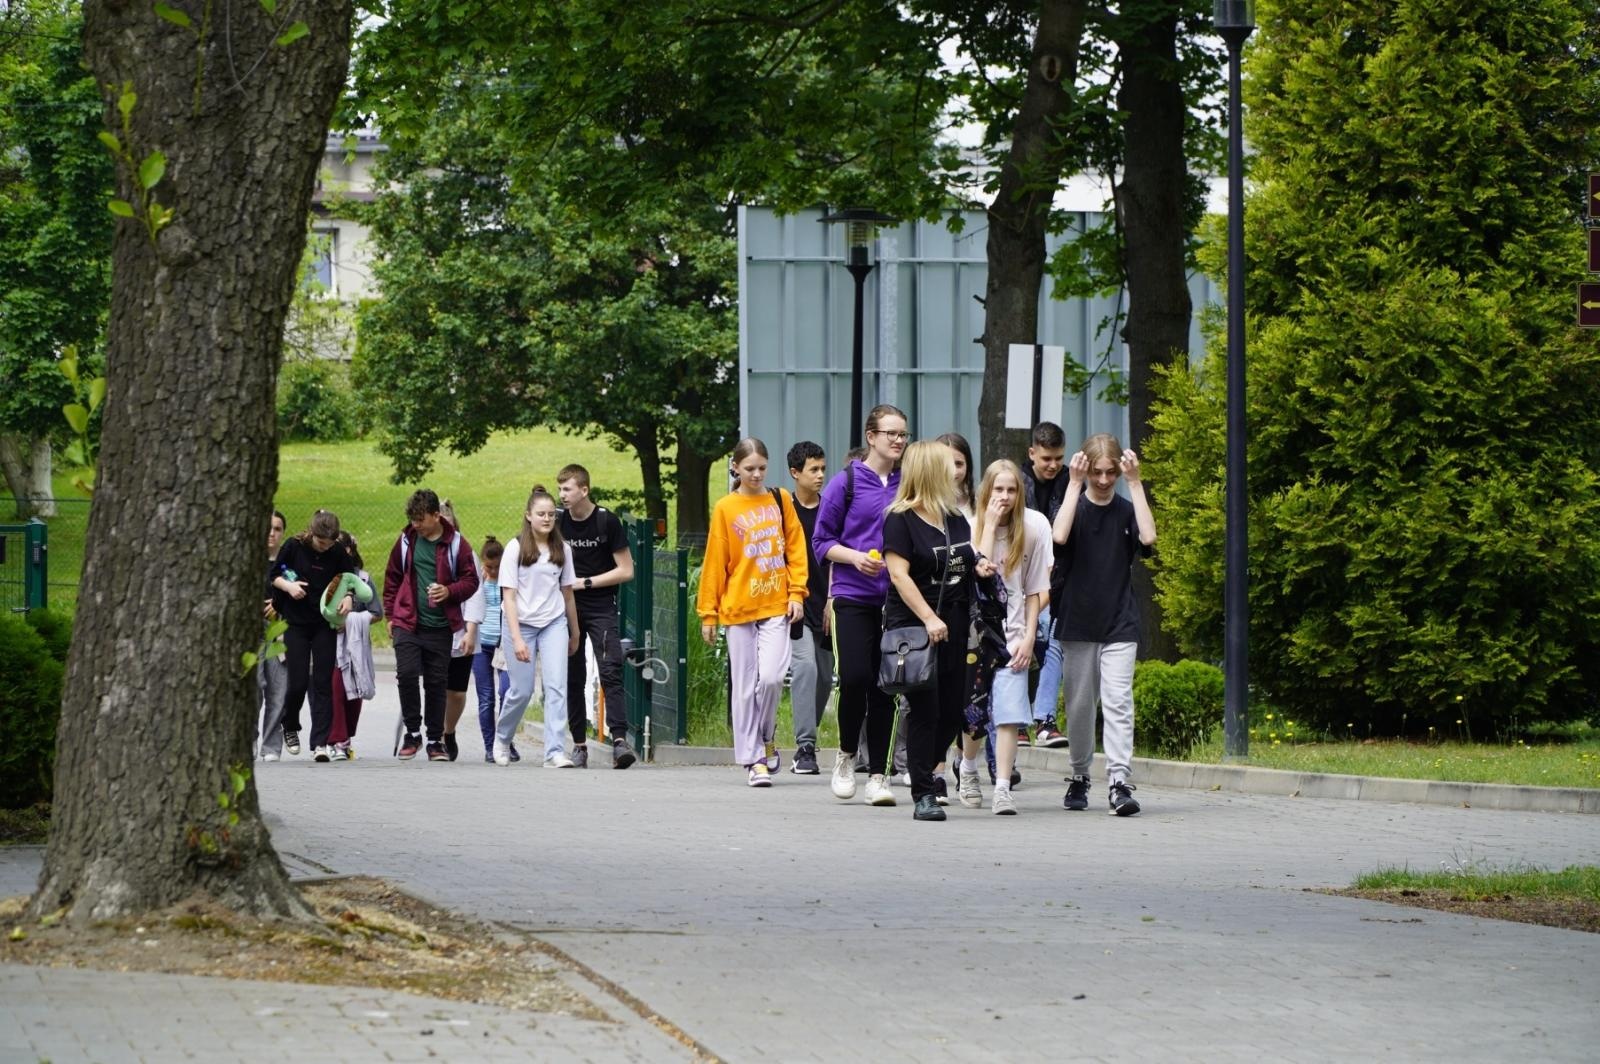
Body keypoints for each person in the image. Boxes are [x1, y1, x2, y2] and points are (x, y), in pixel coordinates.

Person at [1051, 433, 1157, 816]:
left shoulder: (1126, 508)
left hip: (1119, 621)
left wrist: (1135, 481)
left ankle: (1119, 781)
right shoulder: (1075, 505)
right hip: (1078, 620)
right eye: (1097, 472)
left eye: (1110, 472)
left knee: (1118, 701)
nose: (1104, 479)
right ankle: (1079, 775)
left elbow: (1148, 537)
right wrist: (1074, 484)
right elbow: (1058, 536)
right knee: (1080, 706)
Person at [881, 441, 983, 821]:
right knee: (926, 707)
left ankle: (923, 767)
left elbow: (963, 559)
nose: (957, 473)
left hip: (955, 621)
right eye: (948, 467)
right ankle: (923, 791)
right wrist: (927, 617)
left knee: (955, 711)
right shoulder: (900, 519)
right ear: (931, 473)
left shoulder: (954, 517)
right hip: (916, 623)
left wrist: (981, 567)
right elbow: (898, 575)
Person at [698, 439, 809, 787]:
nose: (757, 474)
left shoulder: (781, 500)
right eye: (749, 469)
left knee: (773, 678)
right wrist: (708, 613)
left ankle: (766, 734)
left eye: (762, 467)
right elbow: (715, 560)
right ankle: (754, 760)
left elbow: (796, 549)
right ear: (736, 469)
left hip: (776, 603)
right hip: (738, 608)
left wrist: (797, 593)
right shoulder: (725, 508)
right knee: (745, 688)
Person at [813, 404, 908, 807]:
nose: (898, 440)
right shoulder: (845, 482)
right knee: (854, 677)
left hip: (897, 600)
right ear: (871, 437)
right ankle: (847, 756)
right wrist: (855, 558)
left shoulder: (910, 484)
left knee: (886, 686)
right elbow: (821, 541)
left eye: (903, 434)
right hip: (853, 596)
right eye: (891, 433)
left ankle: (880, 776)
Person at [957, 460, 1051, 814]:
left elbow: (1034, 589)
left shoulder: (1033, 527)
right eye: (998, 489)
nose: (1005, 497)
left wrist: (1028, 637)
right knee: (974, 715)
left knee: (1009, 713)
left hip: (1013, 634)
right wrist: (991, 523)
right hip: (976, 637)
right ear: (986, 492)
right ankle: (968, 769)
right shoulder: (970, 526)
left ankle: (1002, 787)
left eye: (1011, 490)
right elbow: (978, 570)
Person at [382, 489, 480, 762]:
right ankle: (412, 733)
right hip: (407, 621)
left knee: (437, 683)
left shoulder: (458, 545)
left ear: (436, 515)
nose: (415, 525)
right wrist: (391, 615)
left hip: (440, 625)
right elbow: (391, 578)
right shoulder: (405, 541)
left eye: (420, 519)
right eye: (412, 519)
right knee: (408, 674)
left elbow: (472, 581)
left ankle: (435, 740)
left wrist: (449, 592)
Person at [557, 464, 638, 769]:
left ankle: (619, 741)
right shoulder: (559, 523)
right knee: (573, 675)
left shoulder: (606, 521)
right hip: (567, 606)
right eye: (560, 488)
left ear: (584, 490)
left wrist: (586, 582)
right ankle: (579, 745)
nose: (562, 495)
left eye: (568, 489)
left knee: (611, 670)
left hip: (601, 606)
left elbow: (626, 570)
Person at [496, 486, 581, 767]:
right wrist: (517, 639)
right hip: (520, 623)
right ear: (528, 516)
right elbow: (508, 597)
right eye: (540, 514)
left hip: (553, 622)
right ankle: (503, 737)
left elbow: (567, 592)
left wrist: (574, 630)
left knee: (556, 686)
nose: (546, 519)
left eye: (550, 514)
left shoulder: (563, 549)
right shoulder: (515, 548)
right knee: (522, 690)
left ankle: (554, 752)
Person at [271, 510, 362, 762]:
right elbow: (275, 574)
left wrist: (347, 598)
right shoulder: (293, 546)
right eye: (321, 543)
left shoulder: (336, 553)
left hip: (324, 624)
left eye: (329, 544)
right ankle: (290, 724)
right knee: (298, 681)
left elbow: (350, 581)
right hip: (296, 623)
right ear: (312, 534)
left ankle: (320, 743)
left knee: (323, 683)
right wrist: (289, 586)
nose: (324, 548)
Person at [1022, 421, 1071, 749]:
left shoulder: (1070, 480)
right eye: (1046, 459)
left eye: (1058, 458)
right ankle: (1020, 721)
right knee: (1025, 647)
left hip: (1058, 581)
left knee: (1054, 643)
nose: (1053, 465)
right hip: (1023, 581)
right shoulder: (1018, 482)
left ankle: (1043, 720)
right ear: (1032, 454)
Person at [785, 440, 832, 775]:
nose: (819, 476)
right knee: (806, 669)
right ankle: (804, 747)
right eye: (813, 470)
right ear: (795, 473)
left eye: (822, 469)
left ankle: (808, 741)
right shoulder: (783, 509)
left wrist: (832, 598)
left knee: (825, 678)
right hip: (794, 604)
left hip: (827, 603)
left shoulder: (830, 508)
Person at [327, 531, 381, 760]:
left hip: (355, 646)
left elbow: (377, 612)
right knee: (335, 689)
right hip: (330, 646)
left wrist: (351, 622)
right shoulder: (326, 579)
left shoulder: (364, 580)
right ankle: (336, 739)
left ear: (349, 550)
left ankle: (345, 737)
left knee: (354, 694)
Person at [463, 536, 514, 763]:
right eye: (489, 566)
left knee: (507, 693)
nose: (493, 571)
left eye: (497, 567)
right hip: (482, 643)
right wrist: (481, 581)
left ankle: (504, 742)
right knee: (486, 698)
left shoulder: (509, 581)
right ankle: (488, 746)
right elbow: (470, 606)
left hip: (504, 644)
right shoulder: (478, 580)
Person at [437, 499, 478, 761]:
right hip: (432, 628)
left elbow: (475, 594)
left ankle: (448, 730)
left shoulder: (466, 552)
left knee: (457, 690)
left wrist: (471, 631)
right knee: (436, 685)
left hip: (460, 628)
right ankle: (434, 735)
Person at [257, 510, 290, 761]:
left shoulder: (288, 565)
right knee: (255, 688)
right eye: (269, 528)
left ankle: (271, 746)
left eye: (277, 529)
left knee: (278, 691)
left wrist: (280, 606)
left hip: (279, 632)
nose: (272, 533)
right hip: (252, 631)